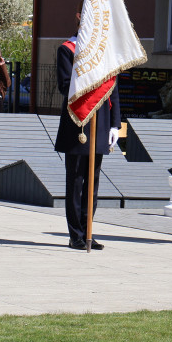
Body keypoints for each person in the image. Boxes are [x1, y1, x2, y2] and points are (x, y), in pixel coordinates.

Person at [53, 14, 120, 250]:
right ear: (79, 19)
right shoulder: (67, 49)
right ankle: (76, 235)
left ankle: (88, 229)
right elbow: (65, 85)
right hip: (78, 120)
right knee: (76, 180)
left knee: (93, 181)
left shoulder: (104, 52)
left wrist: (115, 124)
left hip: (100, 120)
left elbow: (113, 88)